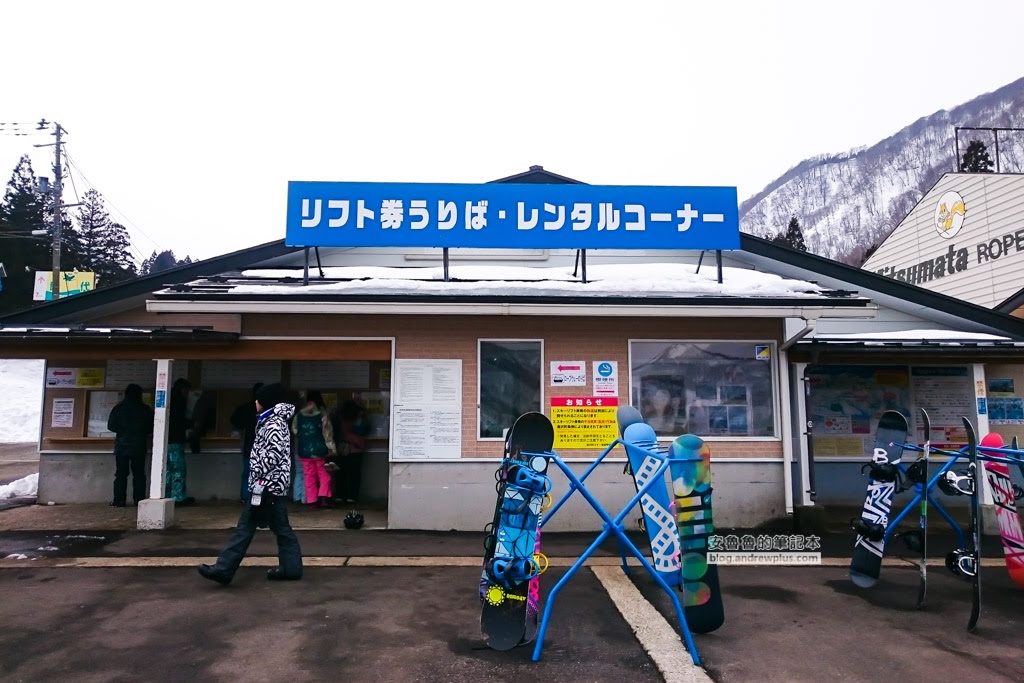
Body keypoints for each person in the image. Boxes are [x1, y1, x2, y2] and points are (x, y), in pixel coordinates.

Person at [198, 383, 303, 585]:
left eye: (259, 399)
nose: (255, 402)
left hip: (265, 486)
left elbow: (273, 455)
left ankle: (223, 569)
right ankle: (291, 568)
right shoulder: (274, 420)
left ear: (267, 402)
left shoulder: (273, 423)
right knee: (281, 529)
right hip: (273, 486)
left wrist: (256, 468)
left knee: (245, 528)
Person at [106, 383, 154, 507]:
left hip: (122, 446)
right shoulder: (145, 409)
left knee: (121, 474)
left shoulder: (119, 408)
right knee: (139, 474)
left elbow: (110, 426)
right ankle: (139, 499)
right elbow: (151, 427)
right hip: (139, 445)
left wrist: (122, 431)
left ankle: (119, 500)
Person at [292, 390, 336, 508]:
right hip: (320, 449)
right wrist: (331, 448)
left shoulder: (299, 415)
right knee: (324, 474)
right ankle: (324, 498)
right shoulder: (322, 414)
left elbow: (295, 430)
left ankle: (312, 501)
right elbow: (327, 433)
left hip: (304, 450)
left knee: (308, 475)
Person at [330, 399, 370, 504]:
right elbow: (366, 429)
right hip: (357, 449)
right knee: (354, 474)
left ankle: (340, 495)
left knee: (341, 473)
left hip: (342, 448)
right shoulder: (359, 418)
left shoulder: (340, 418)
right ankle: (352, 496)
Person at [230, 382, 264, 502]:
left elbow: (234, 420)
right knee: (262, 474)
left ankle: (246, 496)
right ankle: (259, 497)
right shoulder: (270, 410)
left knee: (247, 472)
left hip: (249, 446)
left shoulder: (245, 408)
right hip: (265, 447)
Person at [166, 377, 195, 505]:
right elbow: (179, 421)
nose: (188, 393)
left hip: (166, 440)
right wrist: (192, 424)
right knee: (178, 469)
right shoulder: (180, 402)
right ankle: (178, 497)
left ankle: (167, 495)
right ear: (183, 389)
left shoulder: (168, 400)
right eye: (187, 390)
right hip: (176, 440)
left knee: (168, 470)